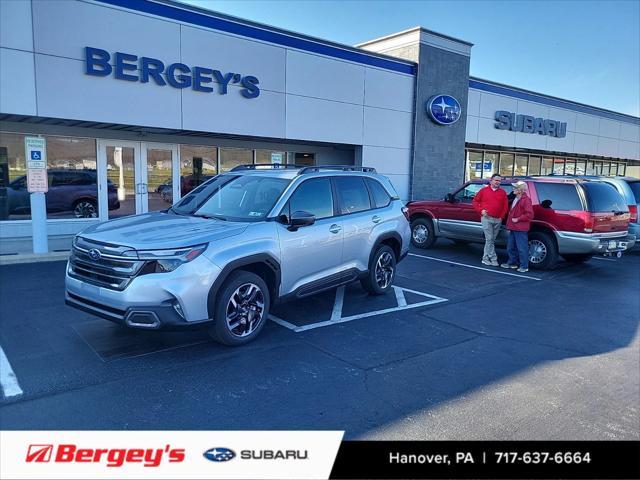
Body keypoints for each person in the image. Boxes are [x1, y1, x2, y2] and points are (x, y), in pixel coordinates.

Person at [472, 173, 508, 266]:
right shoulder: (484, 190)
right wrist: (481, 210)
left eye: (499, 181)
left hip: (497, 220)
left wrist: (501, 217)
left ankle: (485, 258)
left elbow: (505, 206)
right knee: (489, 239)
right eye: (496, 180)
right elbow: (475, 201)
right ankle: (493, 258)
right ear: (491, 181)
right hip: (486, 218)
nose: (498, 182)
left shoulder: (502, 192)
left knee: (491, 240)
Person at [501, 180, 534, 273]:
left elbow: (530, 215)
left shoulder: (526, 200)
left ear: (520, 190)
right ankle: (512, 263)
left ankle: (524, 266)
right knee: (511, 246)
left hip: (520, 228)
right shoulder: (516, 198)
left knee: (522, 248)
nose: (513, 189)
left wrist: (518, 219)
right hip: (513, 227)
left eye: (515, 188)